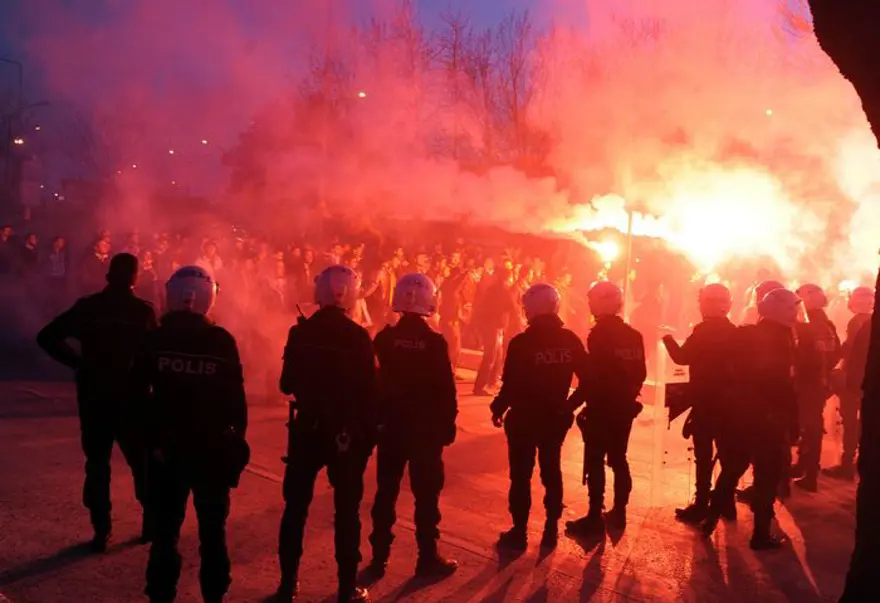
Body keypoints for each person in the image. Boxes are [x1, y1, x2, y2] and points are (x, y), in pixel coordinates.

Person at [135, 266, 248, 603]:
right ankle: (214, 596)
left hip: (167, 452)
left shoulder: (155, 338)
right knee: (213, 533)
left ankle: (160, 595)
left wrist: (150, 441)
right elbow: (236, 404)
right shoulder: (220, 340)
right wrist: (234, 446)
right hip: (210, 452)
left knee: (165, 533)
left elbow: (136, 394)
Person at [36, 253, 158, 551]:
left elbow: (47, 337)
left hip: (94, 398)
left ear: (108, 275)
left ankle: (101, 530)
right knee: (141, 464)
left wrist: (77, 363)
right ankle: (150, 524)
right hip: (132, 401)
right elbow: (154, 356)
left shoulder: (88, 308)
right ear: (134, 278)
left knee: (97, 463)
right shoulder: (142, 312)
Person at [276, 265, 377, 603]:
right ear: (350, 294)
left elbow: (285, 384)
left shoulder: (299, 333)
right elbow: (369, 391)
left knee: (295, 509)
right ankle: (346, 589)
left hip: (307, 430)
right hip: (344, 435)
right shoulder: (359, 337)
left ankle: (287, 586)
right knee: (347, 512)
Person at [364, 273, 459, 580]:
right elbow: (446, 389)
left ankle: (378, 559)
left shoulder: (384, 338)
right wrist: (448, 425)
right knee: (426, 496)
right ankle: (427, 558)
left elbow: (371, 384)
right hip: (424, 432)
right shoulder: (434, 342)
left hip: (391, 429)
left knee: (386, 492)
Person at [491, 283, 591, 550]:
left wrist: (498, 407)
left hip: (524, 418)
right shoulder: (570, 340)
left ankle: (520, 531)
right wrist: (568, 407)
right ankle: (550, 528)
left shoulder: (522, 342)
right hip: (554, 418)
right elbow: (588, 381)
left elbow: (510, 385)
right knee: (552, 471)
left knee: (521, 476)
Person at [702, 288, 801, 550]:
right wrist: (793, 422)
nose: (796, 314)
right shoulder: (782, 339)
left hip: (739, 415)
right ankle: (759, 534)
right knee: (766, 475)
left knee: (732, 469)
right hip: (767, 419)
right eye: (792, 308)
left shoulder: (745, 333)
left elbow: (723, 367)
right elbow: (783, 385)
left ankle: (710, 521)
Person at [566, 281, 646, 536]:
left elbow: (594, 377)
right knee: (619, 459)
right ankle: (619, 512)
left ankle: (593, 517)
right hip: (624, 408)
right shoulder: (634, 335)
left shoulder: (599, 335)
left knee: (596, 459)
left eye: (592, 300)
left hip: (602, 407)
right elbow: (640, 373)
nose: (589, 305)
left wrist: (571, 405)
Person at [662, 283, 739, 523]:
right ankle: (726, 502)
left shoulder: (703, 330)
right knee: (727, 455)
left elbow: (682, 358)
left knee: (704, 456)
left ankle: (702, 503)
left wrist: (666, 338)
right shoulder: (735, 332)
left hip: (705, 402)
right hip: (729, 404)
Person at [791, 284, 841, 492]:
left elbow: (798, 356)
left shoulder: (805, 326)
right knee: (812, 426)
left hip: (806, 384)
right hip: (819, 384)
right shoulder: (827, 324)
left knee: (808, 427)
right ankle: (806, 467)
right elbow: (837, 352)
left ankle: (809, 473)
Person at [826, 285, 873, 480]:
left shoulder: (857, 322)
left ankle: (847, 465)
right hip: (868, 380)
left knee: (851, 424)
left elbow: (849, 349)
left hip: (854, 381)